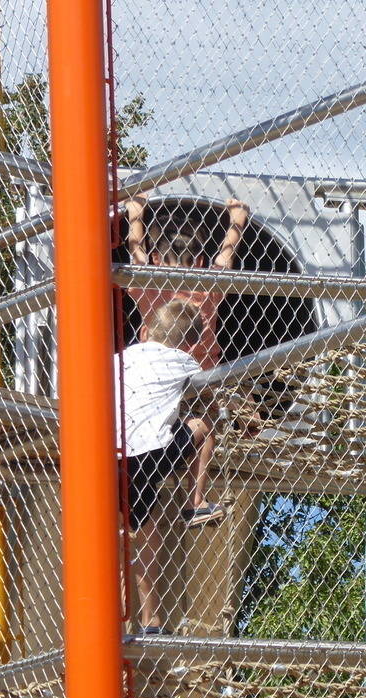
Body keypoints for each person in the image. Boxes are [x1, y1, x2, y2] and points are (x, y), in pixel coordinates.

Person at [116, 298, 226, 631]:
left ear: (145, 332)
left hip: (108, 451)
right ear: (191, 344)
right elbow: (210, 397)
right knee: (205, 424)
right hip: (147, 452)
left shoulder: (121, 357)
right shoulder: (185, 361)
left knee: (144, 527)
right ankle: (196, 502)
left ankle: (147, 619)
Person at [124, 195, 249, 369]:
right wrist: (238, 218)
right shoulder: (207, 287)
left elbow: (137, 254)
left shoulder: (150, 285)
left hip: (156, 367)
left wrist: (135, 213)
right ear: (200, 261)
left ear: (156, 258)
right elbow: (226, 257)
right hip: (203, 373)